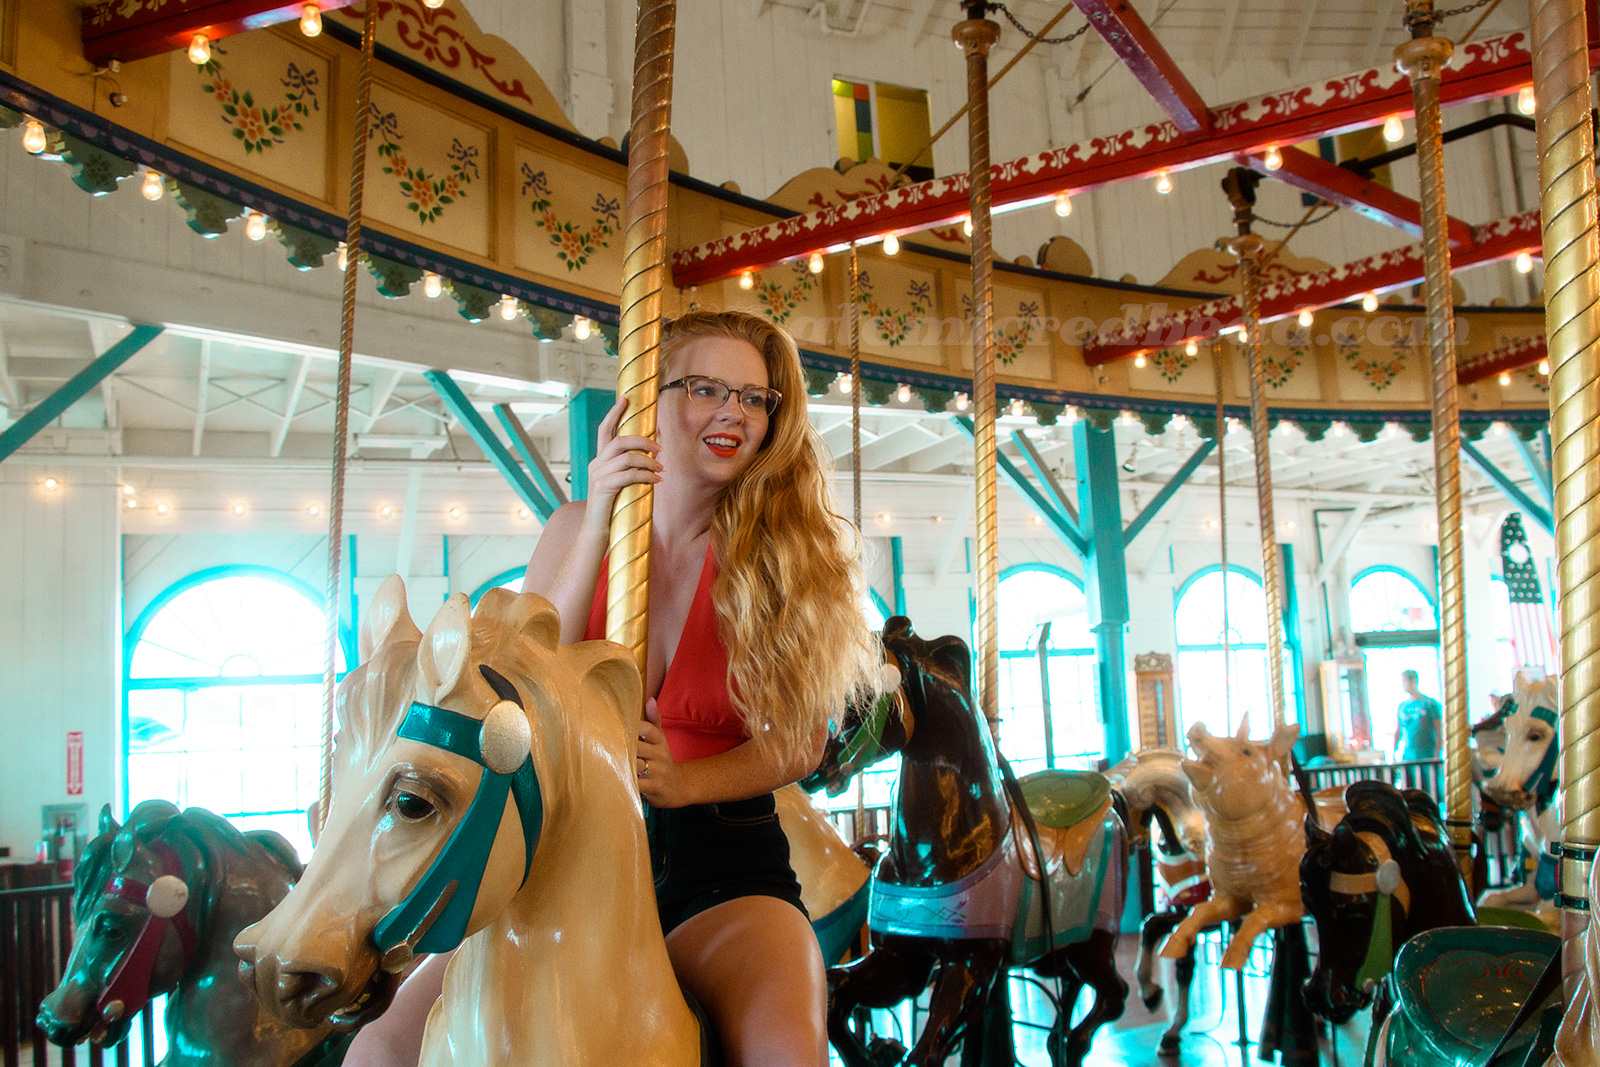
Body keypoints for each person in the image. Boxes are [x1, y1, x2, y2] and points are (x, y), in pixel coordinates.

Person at [523, 309, 881, 1066]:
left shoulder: (789, 557)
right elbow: (535, 672)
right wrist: (600, 516)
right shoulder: (571, 528)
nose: (733, 413)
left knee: (789, 1050)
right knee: (385, 1044)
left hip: (719, 867)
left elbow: (801, 743)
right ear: (645, 401)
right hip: (560, 857)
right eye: (705, 388)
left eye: (754, 398)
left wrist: (682, 782)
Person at [1393, 669, 1443, 761]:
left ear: (1413, 681)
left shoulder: (1429, 704)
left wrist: (1437, 753)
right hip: (1408, 755)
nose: (1403, 685)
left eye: (1404, 681)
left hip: (1427, 754)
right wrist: (1394, 753)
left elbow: (1439, 729)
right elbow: (1398, 730)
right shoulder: (1403, 706)